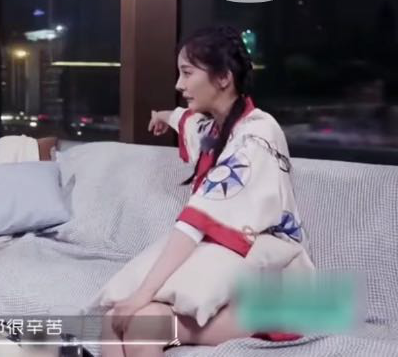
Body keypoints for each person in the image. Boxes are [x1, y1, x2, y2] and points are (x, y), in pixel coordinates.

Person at [101, 26, 314, 357]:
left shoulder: (258, 135)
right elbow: (184, 120)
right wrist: (162, 117)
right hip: (229, 268)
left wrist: (142, 294)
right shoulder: (213, 127)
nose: (179, 85)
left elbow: (196, 222)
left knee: (141, 323)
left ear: (223, 78)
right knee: (111, 322)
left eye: (187, 73)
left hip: (273, 285)